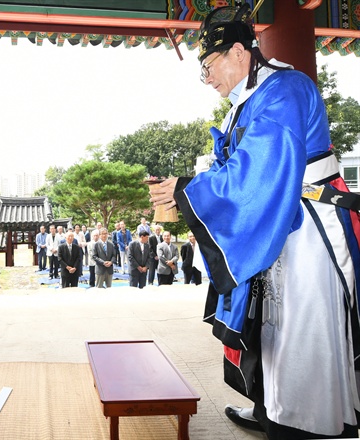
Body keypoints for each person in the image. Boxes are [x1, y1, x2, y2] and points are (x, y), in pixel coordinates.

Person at [149, 4, 360, 438]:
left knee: (302, 330)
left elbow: (260, 169)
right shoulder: (244, 103)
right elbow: (234, 168)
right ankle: (272, 409)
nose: (206, 78)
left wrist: (187, 189)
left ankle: (308, 424)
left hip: (307, 233)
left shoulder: (284, 90)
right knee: (267, 326)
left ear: (240, 54)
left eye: (208, 65)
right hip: (276, 226)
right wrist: (191, 187)